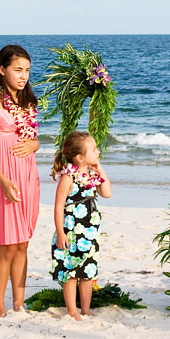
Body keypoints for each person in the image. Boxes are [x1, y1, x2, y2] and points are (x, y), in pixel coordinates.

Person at [0, 45, 41, 318]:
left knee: (23, 242)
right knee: (8, 244)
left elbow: (34, 140)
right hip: (2, 178)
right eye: (17, 70)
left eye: (26, 70)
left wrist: (34, 144)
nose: (23, 75)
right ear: (2, 70)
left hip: (27, 176)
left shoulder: (28, 104)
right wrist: (3, 181)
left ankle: (18, 303)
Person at [50, 131, 112, 320]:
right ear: (79, 157)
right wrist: (60, 233)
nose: (98, 151)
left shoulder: (93, 174)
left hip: (90, 232)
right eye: (94, 150)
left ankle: (85, 309)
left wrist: (99, 168)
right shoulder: (68, 178)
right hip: (71, 232)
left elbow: (107, 192)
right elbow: (59, 205)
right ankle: (72, 310)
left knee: (88, 271)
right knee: (70, 273)